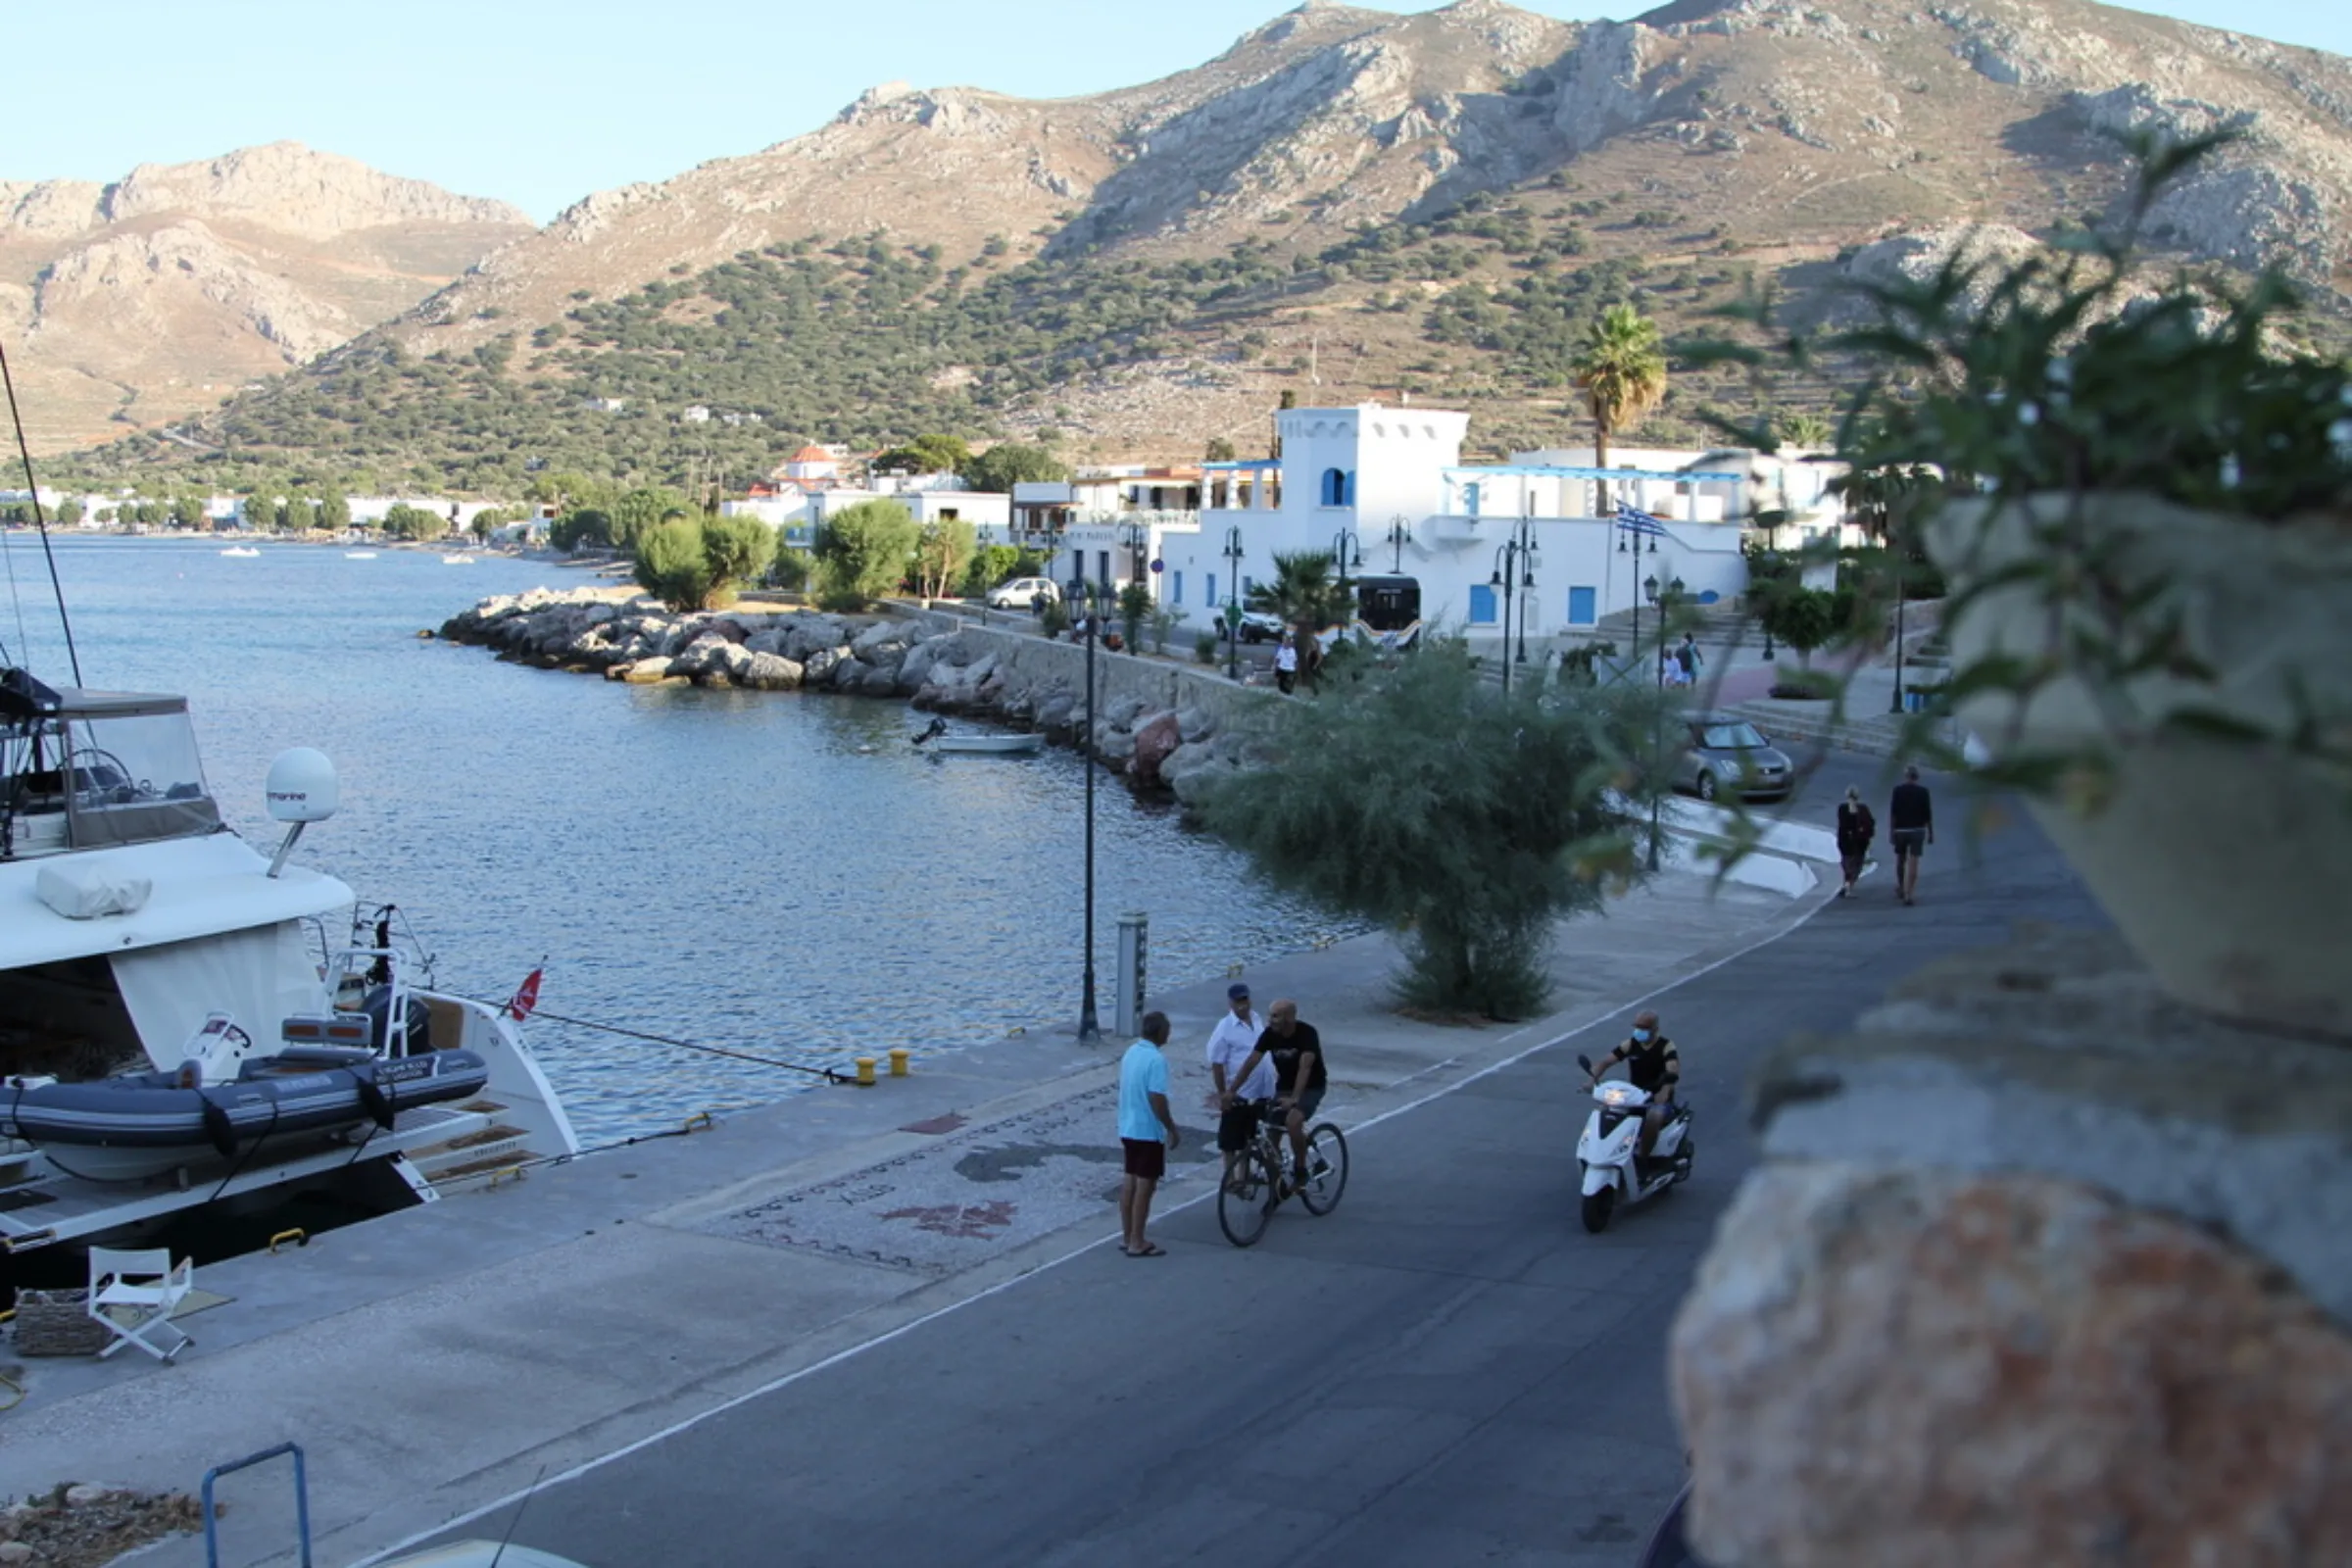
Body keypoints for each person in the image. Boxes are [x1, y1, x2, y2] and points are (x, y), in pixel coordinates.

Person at [1233, 998, 1324, 1187]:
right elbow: (1252, 1061)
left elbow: (1305, 1067)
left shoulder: (1307, 1034)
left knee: (1293, 1121)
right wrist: (1231, 1091)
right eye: (1269, 1015)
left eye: (1275, 1016)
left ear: (1289, 1017)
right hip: (1284, 1087)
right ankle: (1278, 1185)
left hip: (1311, 1086)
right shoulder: (1270, 1034)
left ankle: (1300, 1169)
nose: (1270, 1020)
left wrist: (1295, 1098)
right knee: (1271, 1133)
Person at [1117, 1010, 1180, 1257]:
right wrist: (1171, 1127)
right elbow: (1157, 1098)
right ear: (1160, 1032)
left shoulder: (1130, 1053)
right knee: (1146, 1185)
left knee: (1130, 1181)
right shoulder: (1156, 1060)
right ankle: (1137, 1240)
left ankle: (1126, 1235)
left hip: (1127, 1126)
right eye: (1168, 1029)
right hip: (1147, 1130)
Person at [1205, 983, 1270, 1194]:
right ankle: (1230, 1179)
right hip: (1239, 1091)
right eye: (1238, 1001)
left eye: (1245, 1000)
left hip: (1262, 1090)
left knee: (1250, 1135)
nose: (1243, 1005)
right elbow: (1217, 1063)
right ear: (1230, 1003)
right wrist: (1224, 1092)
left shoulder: (1258, 1019)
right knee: (1230, 1139)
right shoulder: (1224, 1028)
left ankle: (1245, 1175)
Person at [1589, 1008, 1679, 1158]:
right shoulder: (1630, 1044)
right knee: (1604, 1112)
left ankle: (1644, 1156)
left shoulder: (1666, 1046)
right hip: (1633, 1096)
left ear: (1654, 1029)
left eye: (1644, 1028)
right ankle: (1601, 1153)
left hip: (1656, 1096)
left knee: (1654, 1117)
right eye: (1637, 1027)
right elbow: (1605, 1062)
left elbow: (1673, 1070)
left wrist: (1664, 1091)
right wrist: (1592, 1079)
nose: (1639, 1031)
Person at [1888, 764, 1935, 906]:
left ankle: (1901, 886)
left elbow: (1893, 813)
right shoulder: (1923, 792)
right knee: (1914, 862)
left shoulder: (1897, 791)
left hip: (1901, 830)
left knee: (1900, 859)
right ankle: (1909, 893)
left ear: (1906, 776)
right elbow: (1928, 814)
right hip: (1917, 830)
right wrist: (1931, 832)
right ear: (1917, 777)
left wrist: (1891, 831)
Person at [1835, 785, 1875, 899]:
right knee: (1856, 865)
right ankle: (1849, 885)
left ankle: (1847, 884)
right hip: (1860, 841)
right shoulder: (1863, 809)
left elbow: (1842, 825)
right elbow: (1870, 824)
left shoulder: (1842, 808)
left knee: (1847, 863)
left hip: (1845, 841)